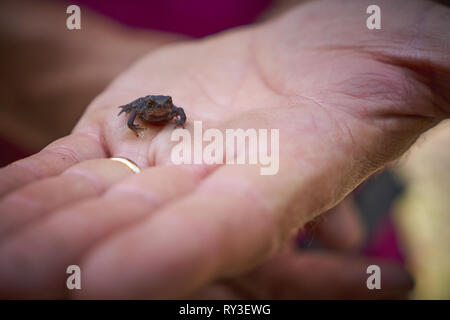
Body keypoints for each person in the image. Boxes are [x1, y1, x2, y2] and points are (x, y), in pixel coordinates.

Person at [0, 0, 448, 299]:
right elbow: (135, 111)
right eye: (157, 108)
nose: (164, 110)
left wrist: (317, 30)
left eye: (165, 108)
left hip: (315, 190)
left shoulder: (169, 108)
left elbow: (175, 111)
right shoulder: (143, 108)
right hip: (58, 195)